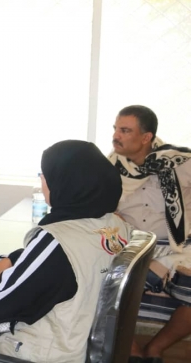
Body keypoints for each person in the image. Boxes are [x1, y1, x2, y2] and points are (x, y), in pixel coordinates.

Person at [0, 140, 134, 363]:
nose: (42, 181)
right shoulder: (117, 226)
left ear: (63, 183)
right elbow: (63, 266)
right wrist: (13, 259)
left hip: (46, 353)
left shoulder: (57, 241)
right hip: (84, 343)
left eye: (45, 175)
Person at [109, 105, 191, 363]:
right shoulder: (109, 167)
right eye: (115, 129)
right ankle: (132, 348)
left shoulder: (181, 162)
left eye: (125, 130)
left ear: (146, 137)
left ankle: (155, 348)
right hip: (128, 243)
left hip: (177, 245)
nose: (116, 136)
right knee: (102, 286)